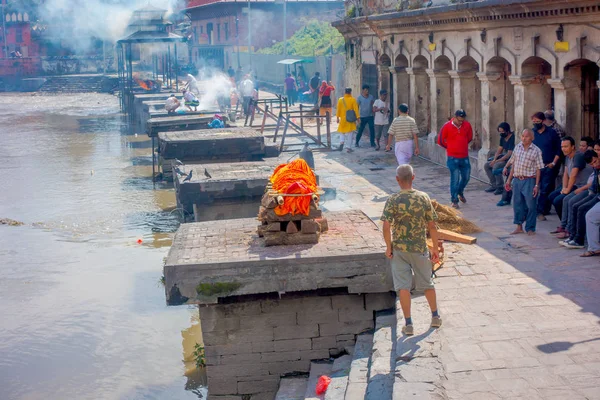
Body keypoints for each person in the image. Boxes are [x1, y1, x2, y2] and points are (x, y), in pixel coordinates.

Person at [382, 164, 442, 336]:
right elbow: (432, 226)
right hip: (419, 248)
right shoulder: (423, 198)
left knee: (403, 287)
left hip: (399, 250)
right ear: (413, 177)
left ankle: (408, 324)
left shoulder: (393, 199)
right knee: (427, 284)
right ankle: (435, 316)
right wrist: (436, 249)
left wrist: (388, 246)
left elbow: (386, 226)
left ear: (397, 180)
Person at [505, 129, 544, 235]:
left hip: (529, 180)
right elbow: (514, 163)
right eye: (522, 136)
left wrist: (536, 185)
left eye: (526, 136)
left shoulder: (536, 150)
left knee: (531, 205)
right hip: (517, 179)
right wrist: (509, 179)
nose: (524, 138)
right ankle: (519, 226)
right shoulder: (517, 147)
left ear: (532, 138)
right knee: (517, 204)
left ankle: (530, 228)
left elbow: (538, 169)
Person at [558, 150, 600, 249]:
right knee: (575, 206)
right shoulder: (596, 169)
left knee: (582, 209)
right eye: (592, 164)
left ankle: (579, 240)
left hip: (595, 195)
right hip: (594, 193)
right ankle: (572, 236)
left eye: (595, 161)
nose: (595, 164)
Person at [546, 136, 591, 220]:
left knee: (558, 201)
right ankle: (564, 222)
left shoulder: (578, 156)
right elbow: (566, 174)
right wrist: (564, 188)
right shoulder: (567, 156)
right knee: (551, 196)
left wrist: (567, 189)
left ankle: (565, 225)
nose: (563, 149)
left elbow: (573, 175)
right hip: (573, 184)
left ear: (573, 147)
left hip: (581, 186)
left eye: (566, 146)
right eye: (562, 147)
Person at [437, 109, 473, 209]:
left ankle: (460, 191)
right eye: (459, 120)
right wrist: (450, 147)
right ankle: (454, 200)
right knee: (455, 178)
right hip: (452, 157)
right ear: (455, 117)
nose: (461, 122)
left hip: (464, 156)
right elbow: (440, 141)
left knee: (466, 177)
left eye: (462, 120)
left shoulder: (467, 125)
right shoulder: (447, 126)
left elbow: (469, 138)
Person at [531, 111, 561, 220]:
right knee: (534, 188)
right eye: (534, 122)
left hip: (548, 165)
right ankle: (532, 210)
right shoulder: (532, 133)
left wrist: (553, 163)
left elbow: (559, 149)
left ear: (543, 121)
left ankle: (541, 211)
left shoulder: (551, 133)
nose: (535, 124)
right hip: (534, 167)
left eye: (538, 121)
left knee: (545, 188)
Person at [484, 122, 515, 194]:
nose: (501, 133)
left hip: (510, 159)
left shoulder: (512, 137)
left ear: (507, 131)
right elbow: (499, 149)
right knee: (487, 165)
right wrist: (494, 159)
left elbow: (509, 154)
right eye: (500, 132)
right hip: (502, 157)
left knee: (496, 166)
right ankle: (493, 185)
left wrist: (497, 161)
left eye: (502, 131)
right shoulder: (502, 138)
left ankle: (500, 187)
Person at [335, 87, 359, 153]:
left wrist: (337, 118)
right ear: (350, 92)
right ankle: (348, 148)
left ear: (345, 92)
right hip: (350, 119)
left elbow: (338, 109)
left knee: (342, 132)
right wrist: (358, 118)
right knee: (350, 134)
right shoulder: (353, 100)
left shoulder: (340, 100)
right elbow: (356, 110)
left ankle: (341, 143)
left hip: (343, 119)